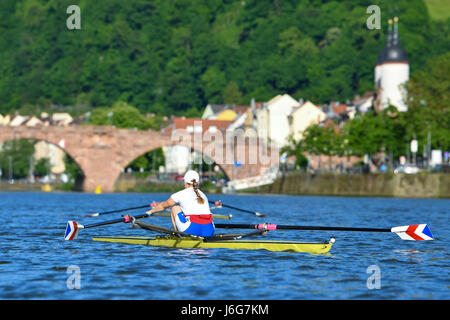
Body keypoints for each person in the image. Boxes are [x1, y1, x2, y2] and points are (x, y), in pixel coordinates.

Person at [145, 170, 215, 237]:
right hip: (209, 230)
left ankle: (178, 235)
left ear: (185, 181)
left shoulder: (180, 194)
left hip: (192, 230)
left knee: (175, 208)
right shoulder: (203, 195)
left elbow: (163, 206)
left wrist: (150, 211)